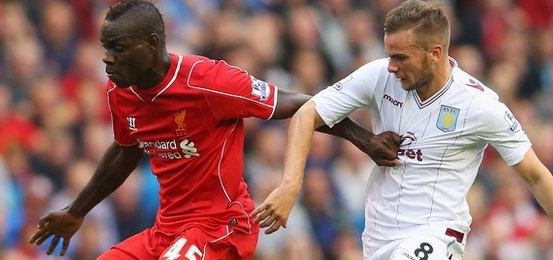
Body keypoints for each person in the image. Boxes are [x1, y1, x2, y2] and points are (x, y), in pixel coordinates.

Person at [28, 0, 401, 259]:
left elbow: (298, 103)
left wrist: (364, 139)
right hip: (166, 231)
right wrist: (77, 211)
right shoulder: (120, 90)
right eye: (105, 48)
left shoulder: (208, 81)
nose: (108, 59)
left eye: (119, 48)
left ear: (153, 43)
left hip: (223, 226)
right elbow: (126, 149)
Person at [252, 1, 553, 260]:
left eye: (401, 57)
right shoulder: (379, 76)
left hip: (436, 236)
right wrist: (290, 184)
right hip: (376, 237)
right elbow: (307, 113)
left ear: (435, 53)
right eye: (389, 54)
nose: (391, 65)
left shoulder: (480, 106)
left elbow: (536, 175)